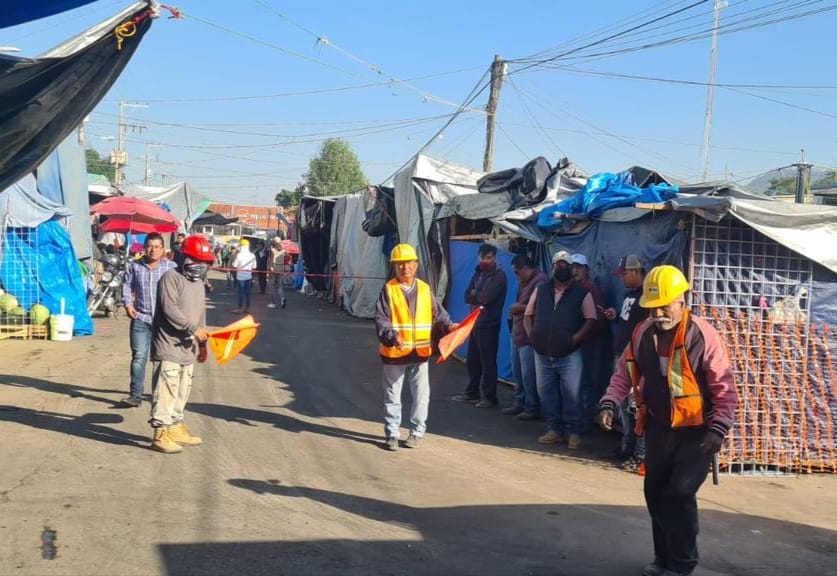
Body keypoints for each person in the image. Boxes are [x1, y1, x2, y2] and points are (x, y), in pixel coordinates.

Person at [597, 265, 737, 576]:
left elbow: (724, 386)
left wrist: (719, 428)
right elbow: (625, 372)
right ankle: (663, 559)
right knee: (656, 492)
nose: (659, 312)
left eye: (665, 305)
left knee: (679, 494)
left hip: (697, 433)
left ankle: (683, 563)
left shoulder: (701, 335)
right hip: (659, 428)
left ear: (681, 300)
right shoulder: (642, 333)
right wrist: (609, 401)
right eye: (653, 306)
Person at [375, 244, 457, 451]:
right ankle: (392, 433)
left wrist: (449, 326)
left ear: (416, 264)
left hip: (420, 354)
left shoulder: (424, 289)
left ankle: (416, 432)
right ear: (394, 266)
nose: (405, 267)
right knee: (392, 397)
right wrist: (392, 336)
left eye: (409, 263)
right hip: (395, 354)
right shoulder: (389, 290)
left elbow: (438, 315)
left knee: (421, 397)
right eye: (400, 264)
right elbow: (381, 320)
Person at [148, 235, 216, 454]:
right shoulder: (170, 278)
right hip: (169, 346)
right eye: (196, 260)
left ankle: (175, 426)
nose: (200, 266)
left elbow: (200, 313)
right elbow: (169, 310)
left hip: (189, 348)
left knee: (182, 390)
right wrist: (192, 329)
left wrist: (202, 343)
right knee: (166, 390)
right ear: (183, 258)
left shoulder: (199, 283)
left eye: (204, 262)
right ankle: (161, 433)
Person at [524, 250, 596, 449]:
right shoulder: (541, 289)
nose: (562, 268)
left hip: (569, 354)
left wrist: (575, 339)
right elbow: (527, 315)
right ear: (553, 267)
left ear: (571, 267)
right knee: (546, 392)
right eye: (558, 264)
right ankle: (554, 429)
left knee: (572, 394)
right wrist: (533, 336)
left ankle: (573, 432)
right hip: (542, 354)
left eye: (566, 265)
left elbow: (591, 319)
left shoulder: (581, 292)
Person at [121, 233, 177, 407]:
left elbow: (180, 289)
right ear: (144, 248)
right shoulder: (134, 267)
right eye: (150, 246)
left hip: (164, 321)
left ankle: (159, 395)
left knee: (162, 359)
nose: (153, 250)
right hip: (141, 319)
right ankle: (135, 395)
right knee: (139, 357)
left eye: (157, 247)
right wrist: (128, 304)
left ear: (163, 250)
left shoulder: (171, 268)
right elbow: (126, 285)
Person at [603, 254, 648, 472]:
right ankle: (627, 447)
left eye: (625, 274)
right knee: (624, 408)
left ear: (638, 272)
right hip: (621, 356)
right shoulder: (629, 296)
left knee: (636, 408)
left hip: (637, 361)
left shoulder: (648, 298)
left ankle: (641, 455)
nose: (622, 278)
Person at [452, 243, 508, 408]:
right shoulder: (478, 273)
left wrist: (476, 295)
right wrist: (476, 295)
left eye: (489, 257)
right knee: (473, 360)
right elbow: (467, 295)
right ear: (479, 257)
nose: (485, 260)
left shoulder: (499, 276)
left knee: (488, 362)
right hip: (475, 324)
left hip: (489, 324)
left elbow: (487, 298)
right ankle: (472, 393)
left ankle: (489, 397)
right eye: (483, 257)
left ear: (494, 258)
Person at [503, 254, 548, 420]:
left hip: (529, 337)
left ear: (525, 269)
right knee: (519, 373)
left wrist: (518, 308)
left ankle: (531, 407)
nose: (516, 275)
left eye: (517, 272)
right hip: (518, 333)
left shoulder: (540, 282)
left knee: (528, 375)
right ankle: (520, 402)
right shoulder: (525, 282)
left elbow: (542, 309)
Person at [571, 253, 611, 431]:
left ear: (586, 270)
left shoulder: (591, 289)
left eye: (579, 267)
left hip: (589, 343)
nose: (575, 270)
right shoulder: (571, 289)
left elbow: (599, 318)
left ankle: (586, 421)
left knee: (586, 381)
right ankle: (578, 418)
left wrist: (586, 334)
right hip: (575, 343)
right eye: (573, 267)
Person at [231, 238, 256, 314]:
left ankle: (240, 308)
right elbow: (254, 266)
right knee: (248, 293)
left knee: (241, 293)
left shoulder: (239, 255)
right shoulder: (252, 255)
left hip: (240, 277)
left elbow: (234, 265)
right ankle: (247, 308)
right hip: (248, 276)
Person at [268, 237, 287, 309]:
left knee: (271, 286)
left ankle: (273, 303)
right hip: (281, 269)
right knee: (279, 286)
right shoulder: (283, 251)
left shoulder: (272, 250)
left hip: (273, 268)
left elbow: (270, 260)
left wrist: (269, 267)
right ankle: (282, 298)